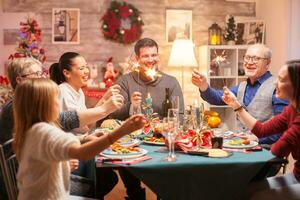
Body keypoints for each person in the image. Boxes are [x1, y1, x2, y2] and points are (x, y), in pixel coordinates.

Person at [0, 57, 123, 199]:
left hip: (34, 177)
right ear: (20, 81)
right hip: (30, 183)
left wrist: (83, 138)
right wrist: (121, 127)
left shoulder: (26, 108)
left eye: (42, 73)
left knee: (101, 175)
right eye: (37, 75)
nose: (44, 78)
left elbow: (48, 135)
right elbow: (61, 122)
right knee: (102, 178)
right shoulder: (19, 109)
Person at [13, 78, 146, 199]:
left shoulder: (30, 130)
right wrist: (122, 130)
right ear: (43, 105)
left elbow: (48, 157)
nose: (59, 103)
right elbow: (83, 153)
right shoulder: (44, 131)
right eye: (55, 99)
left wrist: (67, 159)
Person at [108, 38, 184, 200]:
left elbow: (179, 115)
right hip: (133, 140)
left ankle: (163, 194)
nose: (151, 60)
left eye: (154, 55)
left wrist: (167, 127)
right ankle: (134, 193)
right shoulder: (125, 81)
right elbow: (113, 113)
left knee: (169, 175)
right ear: (137, 59)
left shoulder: (171, 82)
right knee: (125, 156)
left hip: (161, 140)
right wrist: (131, 104)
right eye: (145, 56)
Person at [222, 59, 300, 199]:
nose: (275, 83)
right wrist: (236, 106)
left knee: (259, 196)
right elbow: (262, 130)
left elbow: (277, 150)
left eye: (281, 80)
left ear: (296, 85)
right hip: (296, 176)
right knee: (241, 189)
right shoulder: (290, 110)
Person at [192, 44, 288, 145]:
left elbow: (281, 129)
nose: (249, 62)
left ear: (267, 63)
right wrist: (203, 85)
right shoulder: (241, 86)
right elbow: (217, 98)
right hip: (241, 147)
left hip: (266, 153)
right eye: (247, 57)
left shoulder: (277, 87)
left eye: (256, 59)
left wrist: (256, 138)